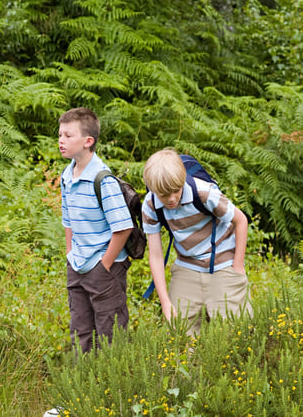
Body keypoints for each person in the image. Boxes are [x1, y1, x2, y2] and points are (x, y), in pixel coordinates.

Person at [140, 149, 250, 336]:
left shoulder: (204, 193)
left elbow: (241, 220)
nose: (172, 198)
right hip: (187, 266)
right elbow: (156, 256)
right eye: (164, 194)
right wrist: (165, 302)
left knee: (235, 333)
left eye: (176, 190)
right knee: (179, 335)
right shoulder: (150, 206)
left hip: (223, 263)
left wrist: (237, 269)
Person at [58, 107, 134, 352]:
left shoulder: (103, 180)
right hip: (78, 265)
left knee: (110, 335)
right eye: (60, 135)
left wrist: (105, 266)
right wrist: (71, 254)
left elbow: (123, 228)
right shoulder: (67, 175)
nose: (61, 140)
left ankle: (111, 388)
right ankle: (83, 384)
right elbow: (68, 219)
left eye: (68, 136)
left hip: (103, 270)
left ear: (88, 141)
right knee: (80, 333)